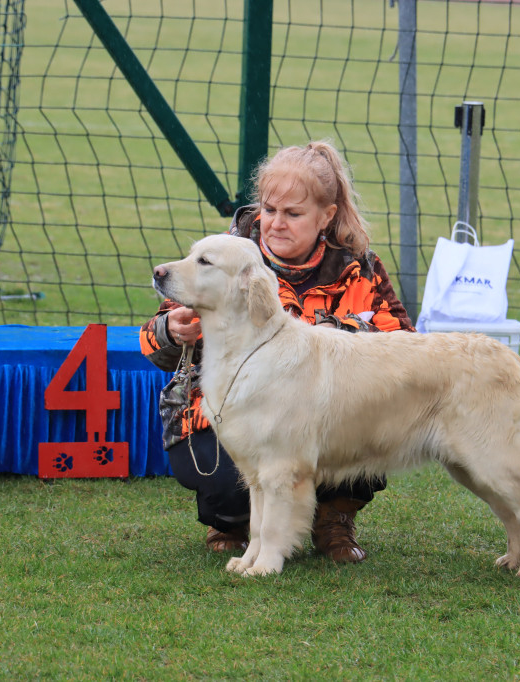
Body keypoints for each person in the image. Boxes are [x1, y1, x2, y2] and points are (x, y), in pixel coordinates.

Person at [140, 140, 415, 562]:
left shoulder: (360, 268)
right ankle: (232, 522)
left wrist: (330, 341)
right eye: (269, 210)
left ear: (326, 216)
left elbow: (402, 345)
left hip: (326, 413)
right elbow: (153, 341)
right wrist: (171, 331)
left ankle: (333, 519)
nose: (276, 224)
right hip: (227, 413)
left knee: (364, 409)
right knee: (227, 480)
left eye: (293, 214)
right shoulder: (223, 255)